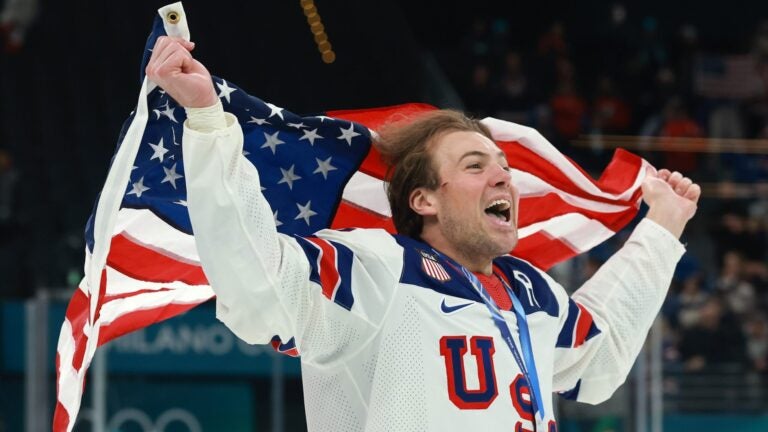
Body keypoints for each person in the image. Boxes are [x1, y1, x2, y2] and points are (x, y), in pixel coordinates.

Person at [145, 36, 700, 431]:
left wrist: (662, 229)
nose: (504, 174)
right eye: (475, 165)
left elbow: (597, 360)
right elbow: (260, 286)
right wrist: (209, 125)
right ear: (423, 200)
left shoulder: (530, 292)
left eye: (503, 165)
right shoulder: (379, 267)